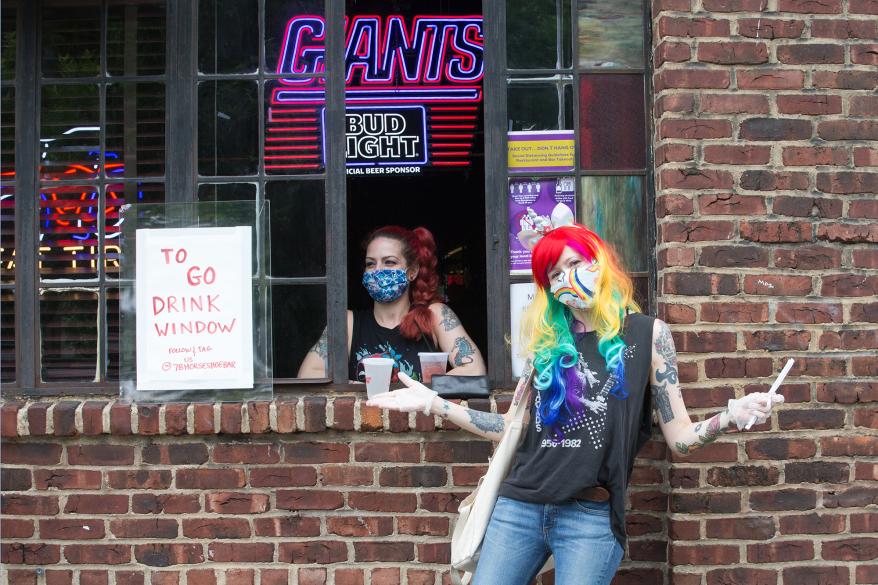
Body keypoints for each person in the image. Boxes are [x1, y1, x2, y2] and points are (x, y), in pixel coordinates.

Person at [367, 223, 784, 585]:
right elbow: (509, 426)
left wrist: (732, 416)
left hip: (589, 514)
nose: (567, 277)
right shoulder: (547, 345)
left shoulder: (647, 335)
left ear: (599, 262)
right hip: (520, 506)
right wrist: (435, 403)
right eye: (554, 273)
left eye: (574, 263)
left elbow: (681, 439)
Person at [297, 225, 486, 381]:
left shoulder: (435, 316)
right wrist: (360, 388)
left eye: (389, 262)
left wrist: (417, 393)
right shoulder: (347, 322)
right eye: (371, 263)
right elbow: (307, 376)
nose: (377, 270)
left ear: (412, 272)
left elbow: (474, 371)